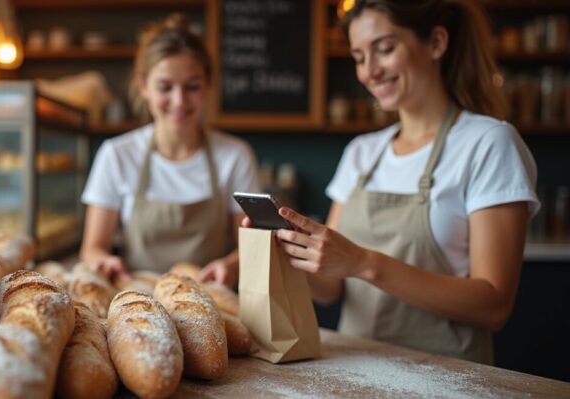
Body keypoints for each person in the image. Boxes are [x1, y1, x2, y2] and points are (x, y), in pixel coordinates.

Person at [252, 0, 539, 364]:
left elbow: (494, 305)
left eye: (384, 49)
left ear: (436, 43)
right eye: (358, 57)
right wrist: (286, 251)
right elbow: (329, 288)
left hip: (450, 376)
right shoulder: (362, 152)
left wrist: (364, 262)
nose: (369, 71)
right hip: (354, 369)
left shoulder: (488, 143)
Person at [80, 14, 260, 288]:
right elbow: (92, 248)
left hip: (209, 303)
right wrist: (102, 261)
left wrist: (231, 265)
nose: (179, 100)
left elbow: (251, 246)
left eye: (192, 87)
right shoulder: (116, 154)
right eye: (165, 87)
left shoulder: (235, 155)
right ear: (143, 87)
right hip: (136, 303)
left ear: (209, 85)